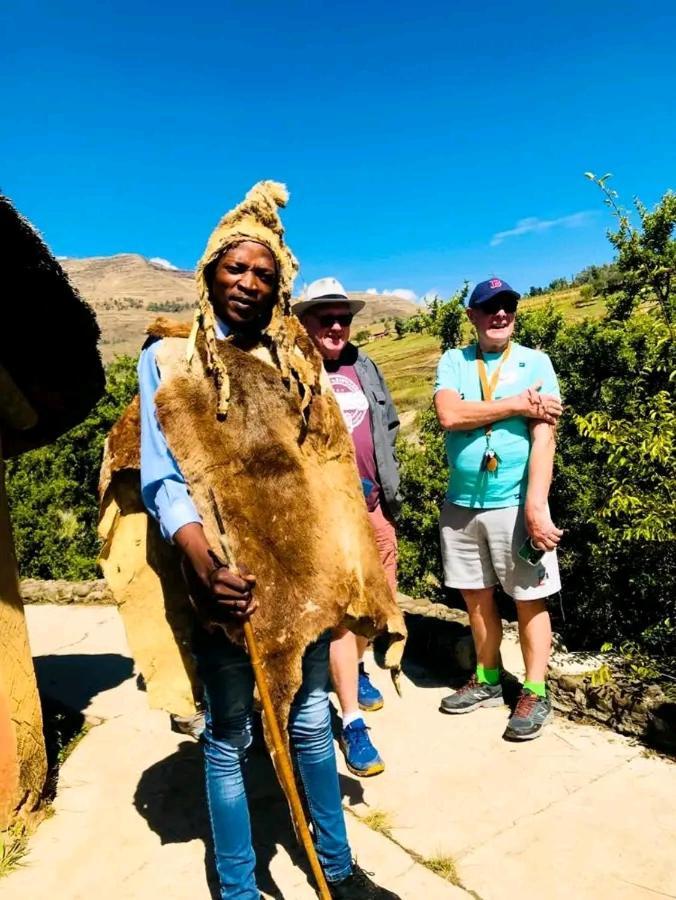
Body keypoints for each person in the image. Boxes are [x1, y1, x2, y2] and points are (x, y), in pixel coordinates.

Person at [137, 182, 401, 899]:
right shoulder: (170, 360)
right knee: (231, 734)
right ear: (209, 273)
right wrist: (201, 561)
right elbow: (164, 480)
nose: (249, 284)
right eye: (236, 269)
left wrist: (346, 568)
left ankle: (339, 870)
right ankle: (239, 887)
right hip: (227, 577)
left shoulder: (296, 362)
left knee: (312, 718)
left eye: (264, 273)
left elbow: (327, 471)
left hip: (303, 575)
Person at [434, 277, 563, 741]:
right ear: (472, 316)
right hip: (460, 505)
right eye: (489, 307)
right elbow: (450, 415)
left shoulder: (536, 362)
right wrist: (514, 404)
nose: (500, 314)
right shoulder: (454, 361)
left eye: (507, 306)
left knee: (530, 599)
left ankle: (534, 690)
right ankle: (488, 679)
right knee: (476, 597)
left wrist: (537, 504)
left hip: (514, 503)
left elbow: (543, 436)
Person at [293, 278, 401, 776]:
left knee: (380, 601)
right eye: (325, 318)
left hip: (374, 503)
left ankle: (355, 668)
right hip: (325, 512)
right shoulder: (292, 370)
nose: (336, 326)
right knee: (341, 609)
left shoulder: (365, 365)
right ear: (305, 323)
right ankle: (352, 722)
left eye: (343, 318)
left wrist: (384, 477)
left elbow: (388, 424)